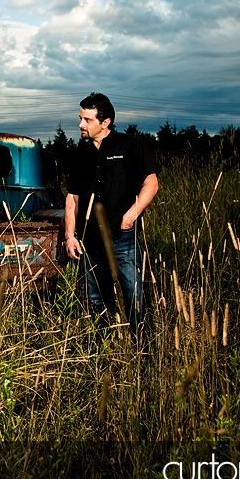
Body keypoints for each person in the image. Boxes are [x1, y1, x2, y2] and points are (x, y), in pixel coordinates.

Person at [64, 93, 160, 345]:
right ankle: (104, 348)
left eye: (87, 119)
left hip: (123, 236)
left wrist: (131, 216)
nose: (81, 124)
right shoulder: (79, 154)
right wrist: (70, 235)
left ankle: (143, 352)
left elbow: (151, 182)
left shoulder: (130, 146)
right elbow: (72, 197)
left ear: (105, 122)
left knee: (133, 295)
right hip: (89, 239)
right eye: (80, 118)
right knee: (97, 297)